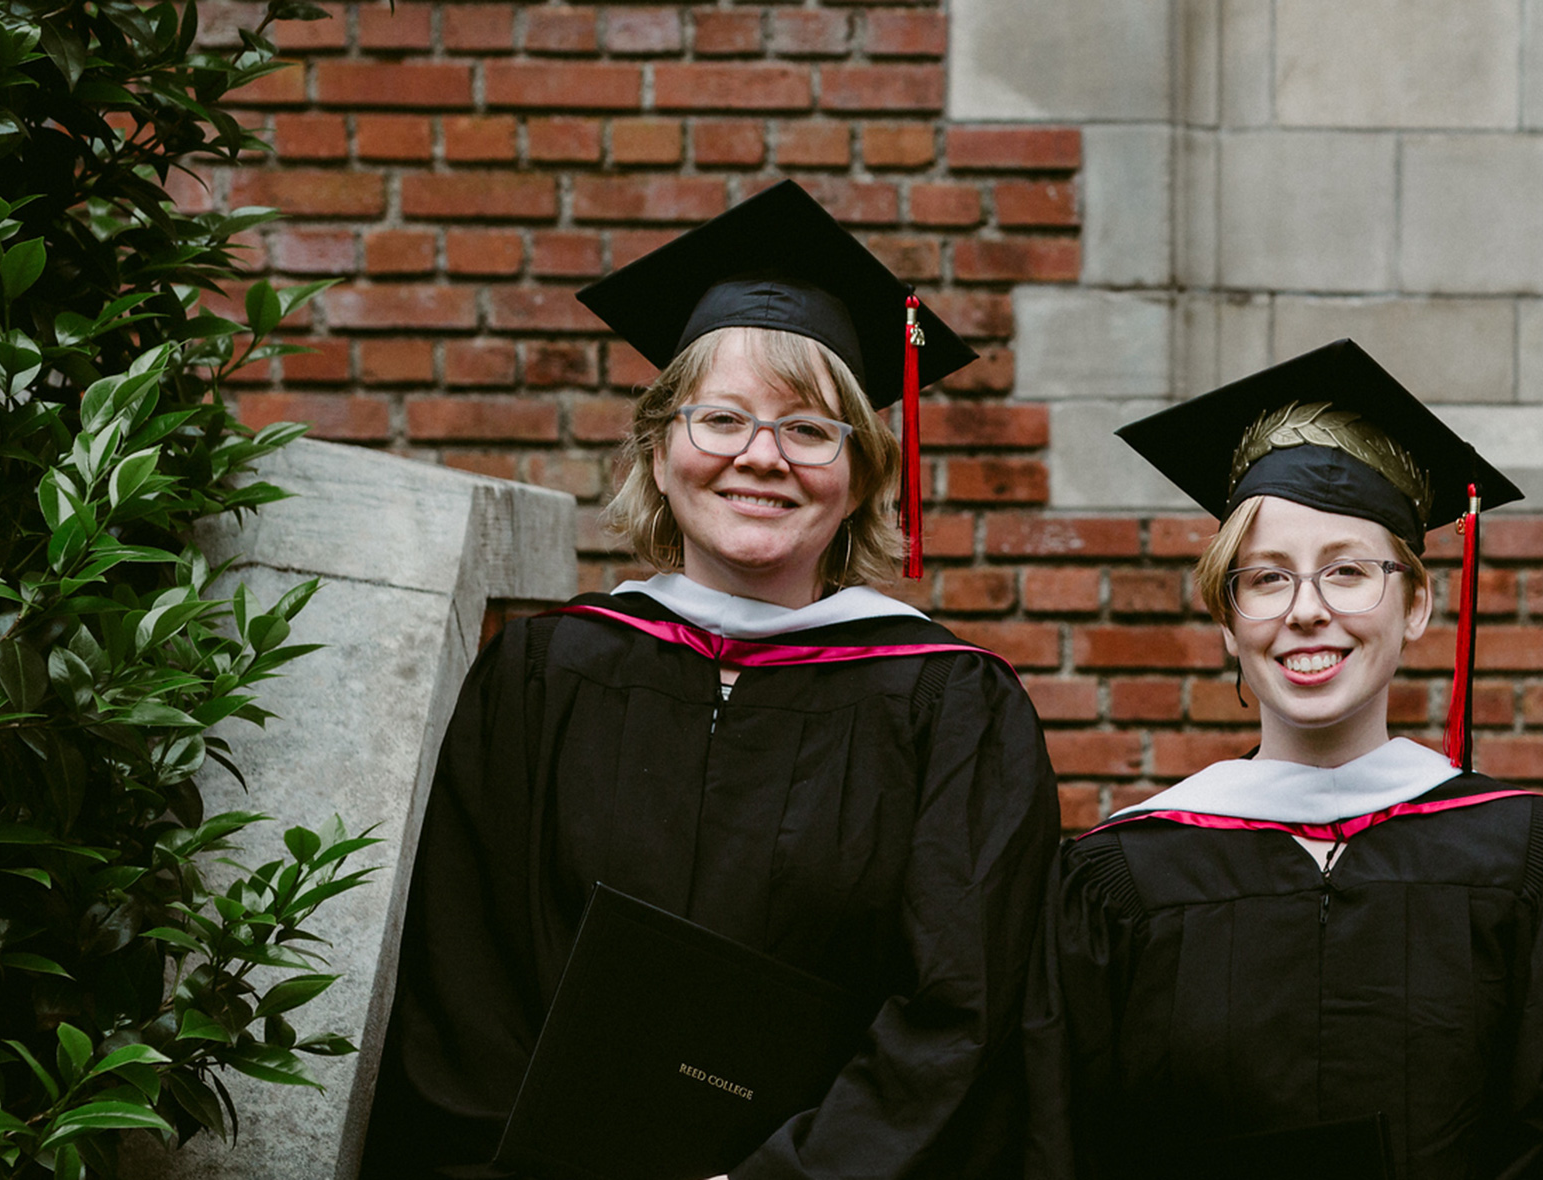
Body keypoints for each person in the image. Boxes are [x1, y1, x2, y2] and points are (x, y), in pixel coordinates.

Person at [359, 181, 1059, 1180]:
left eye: (810, 429)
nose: (760, 458)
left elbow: (967, 1007)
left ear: (863, 472)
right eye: (721, 418)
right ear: (659, 443)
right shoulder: (542, 675)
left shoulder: (951, 708)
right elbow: (461, 982)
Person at [1030, 340, 1543, 1180]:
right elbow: (1064, 1144)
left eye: (1347, 571)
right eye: (1267, 579)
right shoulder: (1122, 879)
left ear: (1416, 604)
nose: (1307, 611)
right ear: (1229, 620)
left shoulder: (1534, 863)